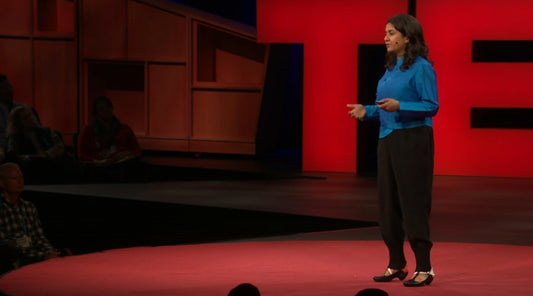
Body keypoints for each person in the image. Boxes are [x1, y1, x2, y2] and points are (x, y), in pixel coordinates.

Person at [348, 14, 439, 287]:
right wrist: (368, 111)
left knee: (413, 203)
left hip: (413, 139)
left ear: (407, 37)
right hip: (387, 139)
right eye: (385, 32)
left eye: (391, 33)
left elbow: (431, 105)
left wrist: (401, 106)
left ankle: (424, 268)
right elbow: (387, 105)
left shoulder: (421, 68)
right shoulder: (390, 68)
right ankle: (396, 264)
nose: (385, 37)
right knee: (388, 206)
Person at [0, 163, 70, 274]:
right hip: (12, 259)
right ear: (2, 183)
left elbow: (39, 237)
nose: (20, 181)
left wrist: (51, 252)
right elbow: (5, 246)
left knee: (64, 255)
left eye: (21, 177)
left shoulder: (28, 207)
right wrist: (41, 257)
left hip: (33, 254)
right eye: (14, 178)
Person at [78, 96, 142, 181]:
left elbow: (137, 151)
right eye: (102, 108)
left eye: (108, 107)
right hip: (100, 167)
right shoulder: (88, 130)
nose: (106, 110)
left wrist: (125, 154)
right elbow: (81, 156)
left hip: (123, 163)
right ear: (96, 113)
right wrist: (97, 162)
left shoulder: (125, 129)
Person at [6, 105, 75, 184]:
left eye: (31, 115)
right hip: (32, 167)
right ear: (19, 122)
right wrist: (29, 158)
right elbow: (14, 155)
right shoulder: (15, 137)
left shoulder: (47, 132)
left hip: (51, 162)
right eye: (26, 117)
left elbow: (60, 147)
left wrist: (46, 155)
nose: (31, 118)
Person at [0, 75, 24, 164]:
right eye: (4, 88)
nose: (9, 90)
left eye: (9, 87)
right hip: (4, 150)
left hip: (26, 147)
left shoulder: (22, 108)